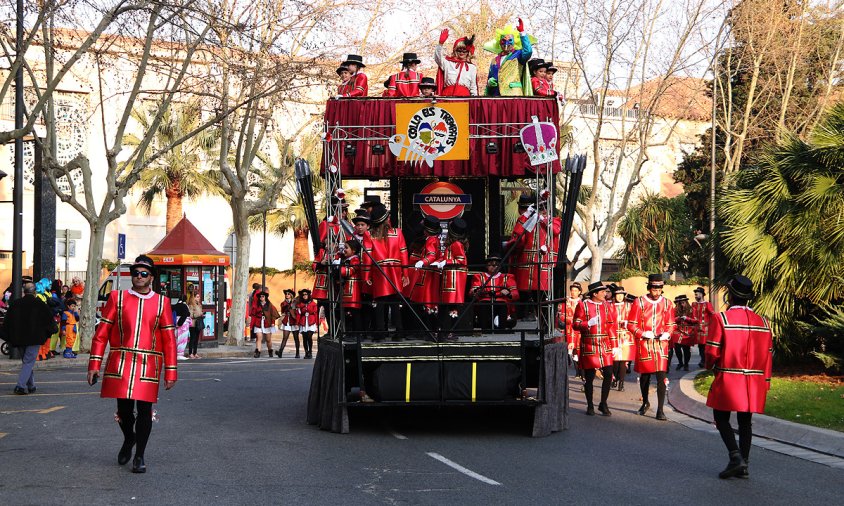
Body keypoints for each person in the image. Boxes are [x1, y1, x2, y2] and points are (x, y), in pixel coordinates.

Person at [87, 255, 177, 473]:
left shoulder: (161, 302)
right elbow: (101, 334)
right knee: (124, 411)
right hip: (121, 360)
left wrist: (171, 372)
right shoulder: (117, 297)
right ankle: (129, 439)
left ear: (151, 278)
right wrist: (94, 365)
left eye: (144, 273)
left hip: (149, 362)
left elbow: (168, 339)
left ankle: (139, 456)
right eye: (135, 273)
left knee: (145, 410)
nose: (139, 276)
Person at [705, 275, 773, 479]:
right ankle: (744, 463)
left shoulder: (721, 318)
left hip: (729, 376)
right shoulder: (763, 322)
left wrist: (710, 366)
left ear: (730, 296)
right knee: (745, 422)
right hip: (754, 380)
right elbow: (768, 355)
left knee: (720, 417)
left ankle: (735, 457)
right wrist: (766, 382)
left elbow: (711, 352)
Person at [626, 273, 675, 421]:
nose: (657, 291)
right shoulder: (639, 302)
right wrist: (642, 333)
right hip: (645, 344)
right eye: (654, 288)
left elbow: (671, 323)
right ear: (649, 287)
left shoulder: (667, 303)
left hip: (661, 344)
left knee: (661, 376)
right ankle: (645, 401)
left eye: (659, 288)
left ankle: (660, 410)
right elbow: (630, 324)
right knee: (645, 377)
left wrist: (668, 333)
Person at [362, 204, 409, 342]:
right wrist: (405, 274)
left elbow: (367, 257)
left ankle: (380, 333)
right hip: (395, 270)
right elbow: (404, 254)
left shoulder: (368, 234)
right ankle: (399, 332)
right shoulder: (398, 232)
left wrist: (366, 275)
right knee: (395, 302)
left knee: (380, 303)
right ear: (386, 218)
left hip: (379, 271)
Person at [4, 282, 57, 395]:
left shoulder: (15, 304)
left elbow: (7, 322)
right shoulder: (40, 304)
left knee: (27, 362)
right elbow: (49, 322)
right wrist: (51, 331)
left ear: (24, 291)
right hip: (34, 337)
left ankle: (31, 385)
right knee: (28, 362)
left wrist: (8, 336)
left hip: (18, 337)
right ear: (34, 292)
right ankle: (20, 386)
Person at [573, 282, 618, 416]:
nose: (605, 293)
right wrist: (588, 324)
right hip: (589, 343)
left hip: (604, 343)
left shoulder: (607, 305)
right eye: (603, 292)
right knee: (590, 376)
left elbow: (611, 325)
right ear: (595, 294)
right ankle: (590, 405)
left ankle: (603, 403)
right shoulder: (583, 305)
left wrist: (615, 344)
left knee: (609, 373)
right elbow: (576, 324)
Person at [484, 18, 533, 96]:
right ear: (499, 43)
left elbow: (528, 51)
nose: (506, 43)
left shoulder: (518, 54)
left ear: (514, 42)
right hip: (496, 95)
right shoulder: (494, 60)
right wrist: (490, 83)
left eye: (510, 40)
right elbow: (490, 77)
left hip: (513, 95)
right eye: (503, 41)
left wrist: (522, 32)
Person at [409, 216, 442, 326]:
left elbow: (431, 255)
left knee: (425, 299)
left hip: (426, 276)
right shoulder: (435, 239)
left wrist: (422, 262)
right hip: (431, 275)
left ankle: (426, 329)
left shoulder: (431, 240)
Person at [471, 253, 519, 330]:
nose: (494, 266)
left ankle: (502, 327)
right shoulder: (479, 276)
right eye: (491, 264)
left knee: (502, 306)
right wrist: (479, 291)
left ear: (500, 266)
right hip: (485, 301)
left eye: (496, 264)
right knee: (483, 306)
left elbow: (515, 294)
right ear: (486, 266)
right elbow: (472, 291)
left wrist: (509, 294)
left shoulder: (507, 277)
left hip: (501, 302)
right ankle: (484, 327)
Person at [439, 218, 469, 340]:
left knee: (450, 305)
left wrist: (447, 261)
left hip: (453, 278)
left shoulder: (456, 244)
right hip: (452, 277)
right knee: (450, 306)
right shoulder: (454, 244)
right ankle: (449, 331)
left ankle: (450, 332)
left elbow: (462, 260)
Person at [435, 29, 478, 96]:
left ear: (468, 53)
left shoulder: (472, 67)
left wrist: (474, 101)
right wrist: (440, 44)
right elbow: (438, 58)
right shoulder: (448, 63)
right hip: (447, 96)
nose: (461, 53)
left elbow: (473, 87)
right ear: (455, 51)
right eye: (459, 50)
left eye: (464, 51)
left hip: (464, 97)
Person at [610, 285, 634, 391]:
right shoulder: (609, 306)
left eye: (621, 295)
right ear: (615, 295)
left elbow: (634, 320)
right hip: (613, 336)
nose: (619, 297)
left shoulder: (629, 306)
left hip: (626, 336)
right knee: (615, 361)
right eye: (617, 295)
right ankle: (614, 378)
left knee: (624, 361)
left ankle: (622, 383)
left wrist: (627, 322)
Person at [339, 241, 363, 333]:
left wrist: (338, 268)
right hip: (348, 289)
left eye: (346, 247)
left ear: (353, 250)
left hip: (354, 289)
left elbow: (349, 271)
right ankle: (349, 332)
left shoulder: (355, 260)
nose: (344, 249)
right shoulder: (346, 259)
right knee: (348, 312)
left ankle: (357, 333)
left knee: (355, 312)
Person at [251, 291, 280, 358]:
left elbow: (273, 314)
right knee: (259, 337)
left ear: (265, 297)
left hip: (267, 323)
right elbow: (253, 315)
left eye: (263, 296)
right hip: (258, 322)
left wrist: (273, 323)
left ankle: (270, 350)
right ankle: (258, 352)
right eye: (260, 296)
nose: (261, 298)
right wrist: (252, 324)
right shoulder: (256, 305)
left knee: (268, 339)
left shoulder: (269, 305)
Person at [691, 286, 714, 368]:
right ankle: (703, 360)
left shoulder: (707, 304)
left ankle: (705, 361)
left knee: (705, 346)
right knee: (700, 346)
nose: (696, 296)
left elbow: (713, 315)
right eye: (695, 295)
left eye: (697, 294)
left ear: (702, 294)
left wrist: (710, 326)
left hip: (705, 329)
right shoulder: (694, 304)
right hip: (698, 329)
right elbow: (693, 315)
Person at [673, 294, 695, 371]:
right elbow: (672, 320)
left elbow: (695, 321)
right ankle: (680, 362)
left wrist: (687, 318)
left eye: (683, 302)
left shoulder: (691, 310)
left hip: (687, 331)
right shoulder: (675, 309)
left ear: (686, 302)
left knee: (686, 349)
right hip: (678, 331)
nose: (682, 304)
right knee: (677, 348)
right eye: (680, 303)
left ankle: (686, 364)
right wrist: (678, 318)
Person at [277, 289, 300, 358]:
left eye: (288, 294)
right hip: (287, 320)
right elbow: (283, 310)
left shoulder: (296, 303)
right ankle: (280, 352)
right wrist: (289, 305)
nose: (287, 295)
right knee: (285, 337)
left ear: (291, 295)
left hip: (294, 321)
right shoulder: (283, 303)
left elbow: (298, 311)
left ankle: (297, 353)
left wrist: (294, 304)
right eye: (286, 294)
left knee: (296, 338)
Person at [296, 289, 318, 359]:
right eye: (303, 295)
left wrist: (317, 324)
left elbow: (316, 314)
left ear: (308, 295)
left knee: (309, 337)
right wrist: (297, 323)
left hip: (311, 321)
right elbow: (298, 314)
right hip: (303, 322)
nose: (304, 296)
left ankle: (310, 352)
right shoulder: (300, 304)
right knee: (304, 338)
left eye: (306, 294)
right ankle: (306, 352)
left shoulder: (313, 304)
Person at [172, 295, 191, 361]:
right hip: (183, 325)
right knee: (182, 340)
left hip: (175, 324)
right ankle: (180, 354)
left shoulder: (174, 306)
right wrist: (180, 323)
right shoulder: (184, 306)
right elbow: (185, 315)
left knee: (176, 339)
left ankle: (175, 354)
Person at [187, 291, 203, 359]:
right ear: (194, 298)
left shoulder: (199, 305)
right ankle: (190, 353)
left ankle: (195, 352)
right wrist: (199, 314)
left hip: (198, 323)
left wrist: (202, 315)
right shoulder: (191, 305)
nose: (198, 298)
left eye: (199, 297)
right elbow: (191, 315)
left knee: (196, 339)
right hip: (193, 324)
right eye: (197, 297)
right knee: (192, 339)